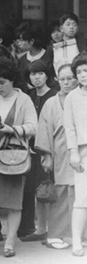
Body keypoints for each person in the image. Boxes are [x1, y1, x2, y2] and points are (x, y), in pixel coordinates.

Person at [0, 57, 37, 258]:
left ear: (12, 80)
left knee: (13, 202)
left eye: (2, 82)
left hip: (14, 155)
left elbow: (32, 127)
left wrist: (12, 129)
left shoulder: (24, 100)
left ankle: (10, 242)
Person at [35, 63, 78, 250]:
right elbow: (44, 131)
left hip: (82, 152)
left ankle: (79, 234)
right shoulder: (51, 103)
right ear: (57, 80)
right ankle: (56, 235)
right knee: (61, 193)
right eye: (62, 79)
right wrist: (47, 156)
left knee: (81, 194)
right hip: (60, 152)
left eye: (70, 78)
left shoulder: (82, 99)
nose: (66, 82)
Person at [19, 60, 58, 241]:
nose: (36, 77)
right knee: (34, 189)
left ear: (47, 75)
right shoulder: (28, 96)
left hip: (50, 148)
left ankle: (53, 228)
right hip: (29, 149)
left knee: (49, 188)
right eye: (33, 74)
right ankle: (39, 228)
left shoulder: (54, 96)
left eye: (40, 73)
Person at [63, 52, 87, 257]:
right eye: (79, 72)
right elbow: (69, 127)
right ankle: (77, 242)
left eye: (86, 70)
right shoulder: (72, 97)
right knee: (82, 199)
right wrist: (73, 152)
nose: (83, 75)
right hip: (83, 151)